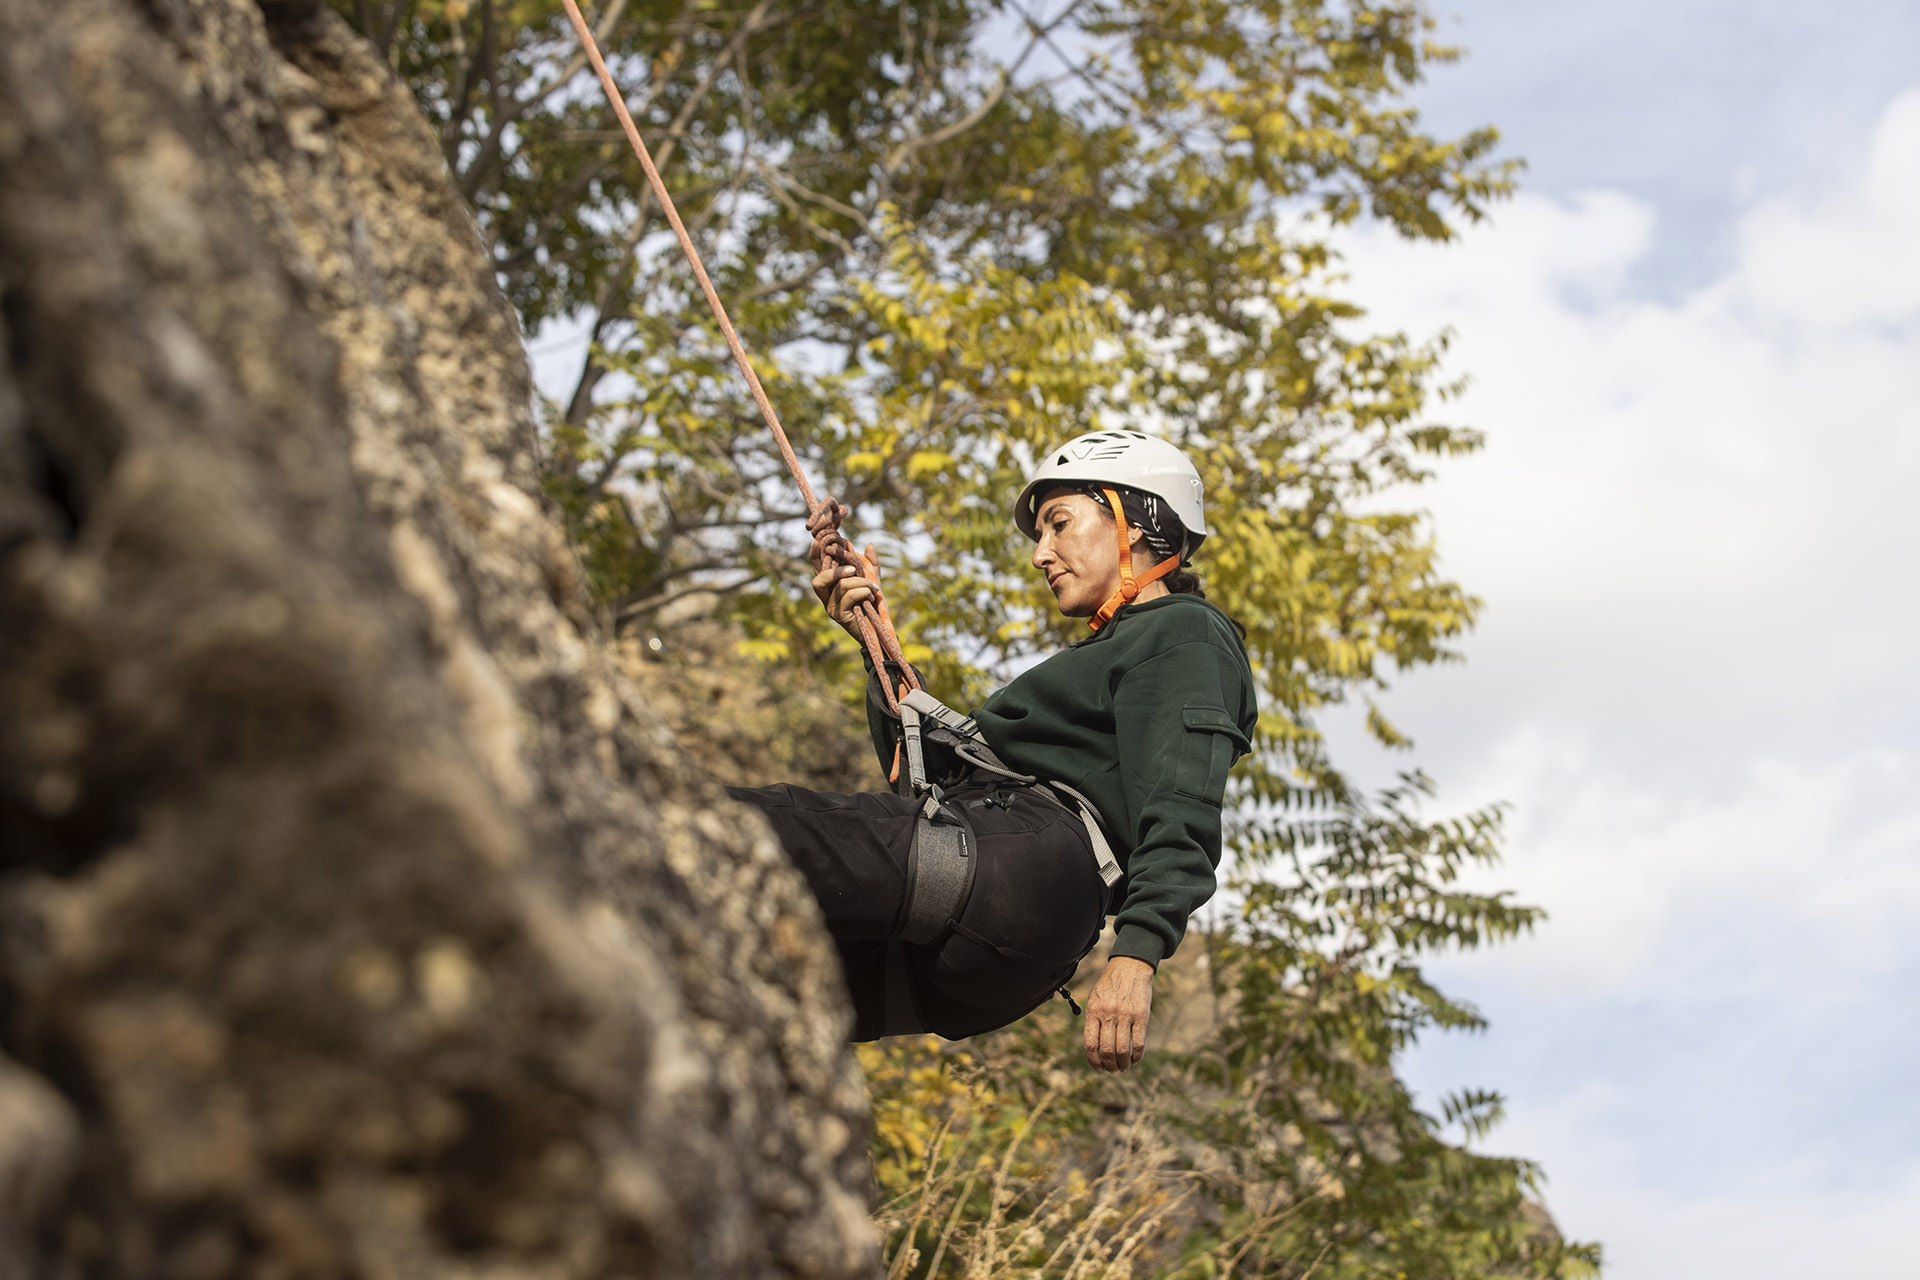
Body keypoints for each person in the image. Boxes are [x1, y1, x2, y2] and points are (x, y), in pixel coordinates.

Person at [728, 431, 1256, 1072]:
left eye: (1060, 524)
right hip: (1006, 949)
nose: (1042, 555)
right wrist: (869, 639)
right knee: (731, 985)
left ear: (1137, 520)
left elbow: (1183, 801)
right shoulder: (1106, 660)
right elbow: (926, 783)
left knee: (738, 827)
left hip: (1027, 865)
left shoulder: (1185, 632)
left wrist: (1136, 954)